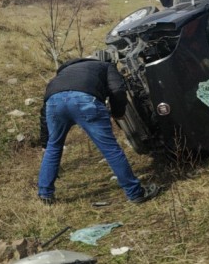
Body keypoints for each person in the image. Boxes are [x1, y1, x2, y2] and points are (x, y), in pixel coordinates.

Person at [37, 58, 161, 205]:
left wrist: (45, 142)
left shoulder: (61, 74)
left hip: (54, 103)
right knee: (110, 149)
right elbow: (118, 90)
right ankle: (135, 193)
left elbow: (44, 113)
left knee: (53, 147)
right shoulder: (105, 66)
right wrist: (118, 112)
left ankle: (45, 194)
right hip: (85, 100)